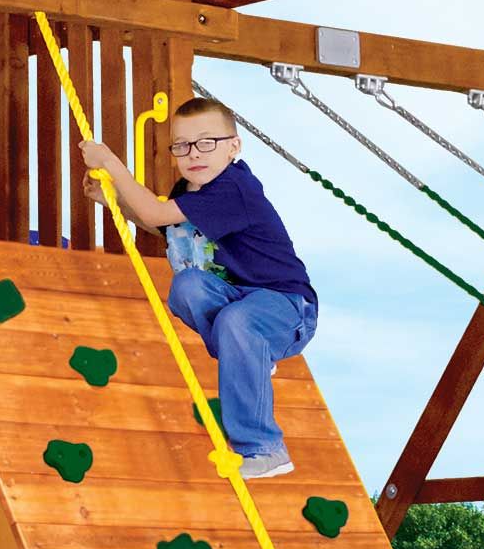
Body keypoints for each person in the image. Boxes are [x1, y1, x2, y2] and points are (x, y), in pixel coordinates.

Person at [78, 94, 317, 478]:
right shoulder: (190, 192)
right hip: (238, 300)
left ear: (233, 147)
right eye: (182, 145)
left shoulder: (234, 188)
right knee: (187, 286)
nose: (194, 154)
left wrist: (110, 162)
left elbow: (155, 210)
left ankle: (265, 448)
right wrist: (114, 203)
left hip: (286, 306)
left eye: (207, 143)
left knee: (238, 321)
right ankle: (249, 355)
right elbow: (164, 225)